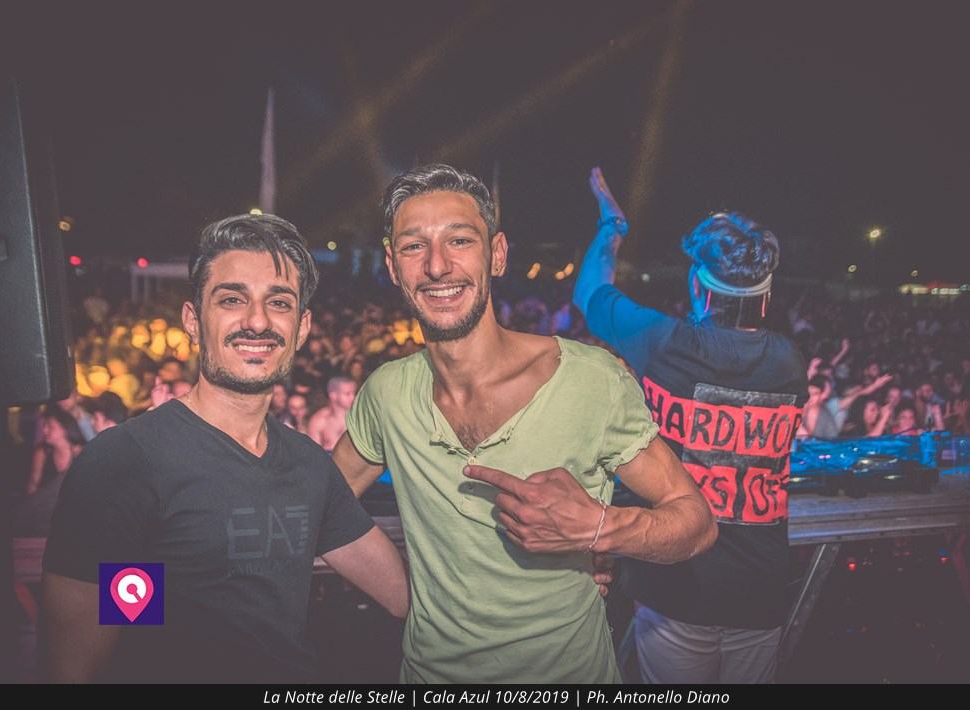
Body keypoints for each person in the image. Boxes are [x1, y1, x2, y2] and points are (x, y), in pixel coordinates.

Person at [331, 164, 716, 684]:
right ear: (394, 267)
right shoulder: (387, 394)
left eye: (460, 240)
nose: (437, 266)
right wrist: (403, 594)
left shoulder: (590, 379)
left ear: (497, 254)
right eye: (414, 246)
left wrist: (601, 528)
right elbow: (317, 506)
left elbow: (696, 522)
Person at [42, 214, 408, 683]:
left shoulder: (308, 465)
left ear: (301, 328)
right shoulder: (128, 462)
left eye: (279, 302)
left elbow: (401, 595)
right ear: (193, 320)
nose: (257, 321)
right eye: (232, 299)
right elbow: (75, 670)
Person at [573, 167, 807, 684]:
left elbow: (590, 290)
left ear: (698, 287)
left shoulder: (663, 342)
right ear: (765, 295)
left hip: (676, 581)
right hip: (761, 585)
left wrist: (612, 226)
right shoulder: (790, 362)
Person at [307, 376, 357, 452]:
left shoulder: (358, 418)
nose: (353, 397)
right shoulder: (319, 420)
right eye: (347, 394)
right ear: (333, 395)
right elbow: (313, 452)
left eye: (354, 393)